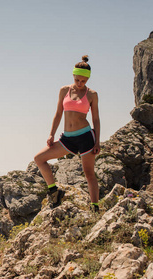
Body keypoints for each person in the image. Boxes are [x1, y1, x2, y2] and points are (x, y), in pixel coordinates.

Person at [34, 55, 101, 212]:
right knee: (39, 159)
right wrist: (51, 134)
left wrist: (97, 141)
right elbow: (58, 114)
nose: (80, 83)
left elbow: (96, 119)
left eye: (83, 81)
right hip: (67, 139)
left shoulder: (92, 94)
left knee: (89, 173)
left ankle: (95, 208)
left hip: (85, 137)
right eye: (78, 80)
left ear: (87, 80)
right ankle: (54, 191)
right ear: (73, 75)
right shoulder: (64, 90)